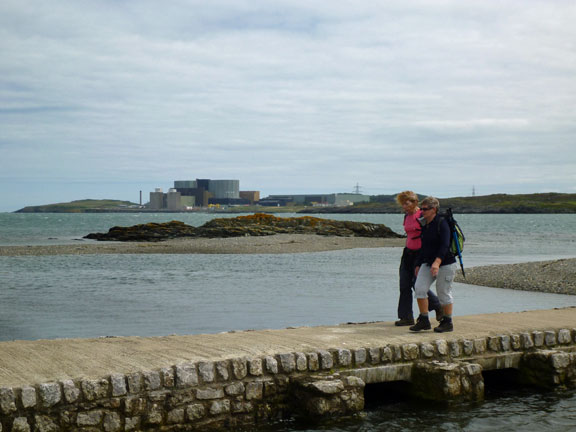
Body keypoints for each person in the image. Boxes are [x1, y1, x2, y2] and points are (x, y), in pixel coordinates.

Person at [409, 196, 457, 333]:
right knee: (419, 288)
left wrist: (437, 262)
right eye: (421, 208)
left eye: (425, 209)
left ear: (434, 209)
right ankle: (424, 320)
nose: (422, 211)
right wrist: (418, 264)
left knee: (443, 292)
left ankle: (447, 322)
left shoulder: (442, 223)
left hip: (446, 263)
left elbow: (445, 245)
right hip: (427, 262)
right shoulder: (425, 224)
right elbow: (423, 246)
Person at [395, 191, 442, 326]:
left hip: (421, 254)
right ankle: (406, 317)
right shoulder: (406, 216)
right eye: (402, 203)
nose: (404, 206)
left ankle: (437, 305)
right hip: (407, 253)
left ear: (415, 202)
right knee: (404, 285)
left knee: (418, 284)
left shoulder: (422, 215)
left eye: (407, 203)